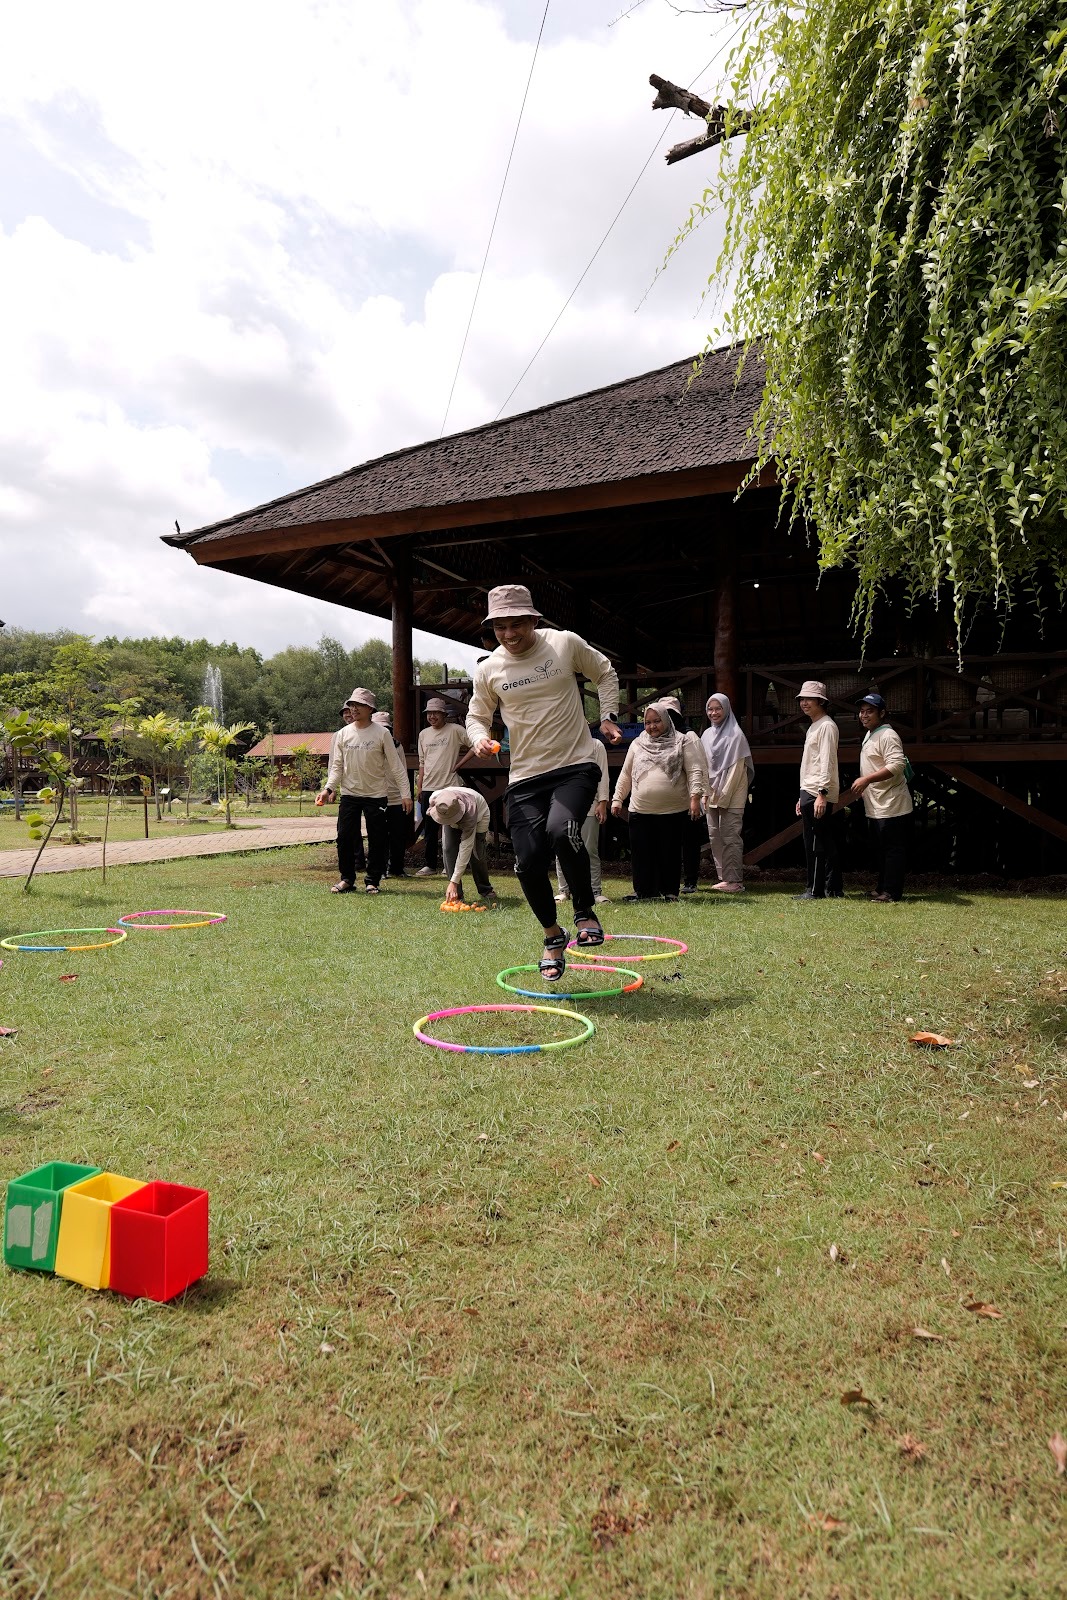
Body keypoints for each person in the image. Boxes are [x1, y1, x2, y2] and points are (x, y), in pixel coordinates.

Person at [467, 583, 621, 980]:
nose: (509, 634)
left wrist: (607, 716)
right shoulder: (489, 668)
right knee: (527, 861)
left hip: (575, 764)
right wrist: (479, 737)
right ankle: (553, 935)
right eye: (500, 627)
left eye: (517, 624)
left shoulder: (563, 643)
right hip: (525, 776)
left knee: (561, 830)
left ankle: (584, 911)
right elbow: (476, 715)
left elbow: (604, 672)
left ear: (534, 620)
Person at [318, 688, 411, 894]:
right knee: (344, 837)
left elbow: (396, 766)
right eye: (352, 705)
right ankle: (347, 879)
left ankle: (372, 881)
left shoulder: (382, 733)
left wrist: (406, 794)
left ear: (370, 709)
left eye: (359, 705)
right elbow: (337, 767)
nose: (354, 708)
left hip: (376, 795)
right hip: (350, 794)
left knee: (377, 839)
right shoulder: (343, 734)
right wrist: (328, 788)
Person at [611, 700, 704, 901]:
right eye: (648, 722)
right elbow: (626, 774)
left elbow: (695, 771)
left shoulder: (683, 741)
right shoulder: (638, 744)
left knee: (669, 853)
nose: (652, 726)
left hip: (673, 810)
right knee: (641, 853)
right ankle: (644, 892)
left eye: (657, 721)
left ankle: (669, 891)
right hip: (640, 810)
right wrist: (617, 798)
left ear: (667, 721)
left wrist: (695, 797)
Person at [852, 693, 913, 901]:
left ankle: (891, 892)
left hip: (892, 803)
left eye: (869, 711)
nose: (864, 715)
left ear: (882, 713)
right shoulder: (871, 734)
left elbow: (897, 765)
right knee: (881, 849)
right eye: (862, 711)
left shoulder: (888, 735)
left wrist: (866, 779)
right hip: (877, 803)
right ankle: (881, 888)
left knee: (893, 850)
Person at [701, 693, 754, 893]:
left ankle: (735, 880)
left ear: (726, 709)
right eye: (710, 709)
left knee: (730, 836)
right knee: (715, 836)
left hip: (731, 795)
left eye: (718, 708)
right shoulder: (706, 735)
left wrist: (722, 796)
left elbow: (736, 772)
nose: (713, 713)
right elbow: (703, 765)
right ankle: (724, 877)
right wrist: (705, 792)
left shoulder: (736, 735)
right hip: (711, 793)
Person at [794, 679, 842, 899]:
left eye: (809, 699)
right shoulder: (815, 725)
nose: (804, 703)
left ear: (821, 701)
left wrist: (822, 793)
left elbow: (826, 762)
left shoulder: (827, 726)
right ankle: (832, 887)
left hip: (817, 791)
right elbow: (811, 763)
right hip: (809, 789)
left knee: (816, 842)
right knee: (817, 840)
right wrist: (802, 793)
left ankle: (816, 890)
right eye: (802, 699)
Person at [659, 695, 711, 894]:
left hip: (690, 798)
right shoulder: (659, 737)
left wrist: (701, 796)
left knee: (690, 841)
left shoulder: (690, 737)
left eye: (671, 714)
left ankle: (691, 880)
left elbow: (701, 768)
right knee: (668, 841)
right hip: (667, 799)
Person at [416, 697, 473, 876]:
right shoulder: (423, 734)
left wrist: (459, 764)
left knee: (453, 827)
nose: (432, 716)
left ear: (444, 714)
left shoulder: (455, 730)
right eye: (429, 713)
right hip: (428, 787)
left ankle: (452, 864)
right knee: (430, 829)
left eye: (436, 713)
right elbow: (422, 762)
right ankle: (430, 865)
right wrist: (419, 786)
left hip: (449, 787)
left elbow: (474, 745)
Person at [555, 732, 610, 906]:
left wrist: (602, 802)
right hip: (563, 805)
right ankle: (564, 890)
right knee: (561, 847)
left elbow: (603, 775)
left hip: (590, 805)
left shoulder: (596, 745)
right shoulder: (558, 744)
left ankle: (595, 891)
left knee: (589, 849)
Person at [428, 786, 497, 905]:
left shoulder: (470, 815)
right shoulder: (436, 798)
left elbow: (466, 848)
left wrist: (454, 881)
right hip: (451, 811)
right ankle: (457, 894)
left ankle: (485, 889)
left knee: (477, 854)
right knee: (448, 849)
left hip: (479, 816)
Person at [372, 710, 412, 877]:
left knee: (398, 835)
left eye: (386, 729)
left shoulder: (397, 746)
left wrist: (406, 795)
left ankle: (396, 868)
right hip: (376, 797)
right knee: (378, 836)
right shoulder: (369, 745)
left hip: (396, 797)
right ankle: (379, 870)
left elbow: (402, 770)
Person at [329, 703, 365, 871]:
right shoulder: (338, 735)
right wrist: (331, 788)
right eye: (344, 712)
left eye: (349, 711)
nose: (348, 715)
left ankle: (363, 861)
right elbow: (333, 763)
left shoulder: (368, 732)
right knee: (346, 828)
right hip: (347, 788)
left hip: (367, 787)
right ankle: (354, 861)